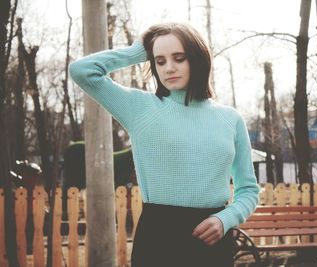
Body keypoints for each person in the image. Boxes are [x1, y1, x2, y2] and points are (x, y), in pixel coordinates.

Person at [69, 22, 259, 267]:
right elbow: (82, 70)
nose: (169, 68)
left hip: (212, 238)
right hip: (158, 238)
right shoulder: (141, 108)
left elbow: (249, 190)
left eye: (179, 58)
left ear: (198, 58)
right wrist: (138, 51)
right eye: (159, 61)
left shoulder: (230, 119)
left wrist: (226, 218)